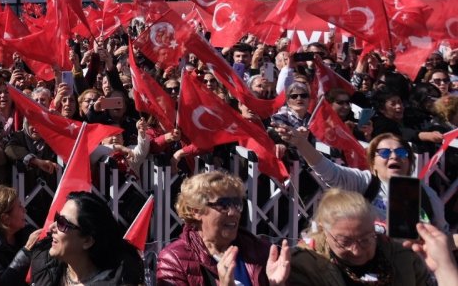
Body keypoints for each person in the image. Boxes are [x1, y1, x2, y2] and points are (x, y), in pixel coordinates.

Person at [274, 128, 449, 231]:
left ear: (410, 161)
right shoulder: (365, 182)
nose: (394, 157)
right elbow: (328, 171)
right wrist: (301, 144)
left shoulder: (426, 193)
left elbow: (443, 235)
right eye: (385, 153)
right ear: (373, 161)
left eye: (402, 153)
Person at [156, 171, 290, 286]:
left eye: (237, 204)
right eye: (223, 205)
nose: (233, 212)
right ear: (196, 211)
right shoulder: (174, 259)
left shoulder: (262, 251)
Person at [288, 188, 429, 286]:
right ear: (323, 229)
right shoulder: (305, 264)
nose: (356, 251)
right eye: (344, 242)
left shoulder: (401, 254)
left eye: (365, 239)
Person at [28, 190, 145, 286]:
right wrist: (24, 254)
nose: (51, 227)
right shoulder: (44, 266)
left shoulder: (122, 281)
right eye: (57, 218)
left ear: (87, 241)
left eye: (62, 223)